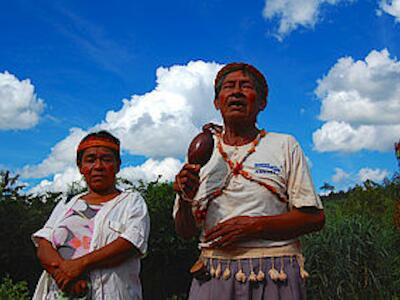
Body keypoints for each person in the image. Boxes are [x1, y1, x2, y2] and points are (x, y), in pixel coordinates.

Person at [173, 63, 325, 299]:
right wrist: (184, 198)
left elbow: (314, 218)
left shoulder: (284, 145)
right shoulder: (202, 155)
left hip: (276, 274)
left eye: (245, 86)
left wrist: (255, 226)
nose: (236, 92)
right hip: (213, 273)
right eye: (229, 87)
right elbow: (185, 232)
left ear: (262, 103)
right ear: (217, 102)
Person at [32, 130, 150, 300]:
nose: (98, 166)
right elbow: (44, 243)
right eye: (90, 160)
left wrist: (79, 265)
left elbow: (130, 244)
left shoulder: (131, 202)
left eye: (107, 159)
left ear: (118, 165)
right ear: (81, 167)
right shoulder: (67, 202)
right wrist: (63, 275)